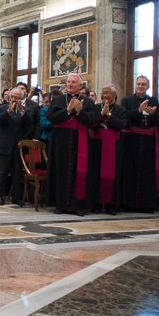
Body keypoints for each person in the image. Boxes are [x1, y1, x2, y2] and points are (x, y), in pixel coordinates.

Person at [46, 73, 98, 215]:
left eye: (73, 82)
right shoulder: (58, 99)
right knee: (60, 170)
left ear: (80, 86)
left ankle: (79, 205)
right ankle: (60, 204)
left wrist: (80, 112)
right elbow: (51, 117)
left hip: (80, 140)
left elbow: (93, 120)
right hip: (61, 141)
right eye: (68, 82)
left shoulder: (87, 101)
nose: (70, 84)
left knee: (79, 172)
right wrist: (67, 111)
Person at [119, 75, 159, 211]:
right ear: (135, 85)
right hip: (131, 141)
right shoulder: (127, 100)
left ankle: (146, 204)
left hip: (148, 142)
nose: (140, 86)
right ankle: (129, 204)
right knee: (130, 171)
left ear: (148, 86)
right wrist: (138, 111)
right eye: (138, 84)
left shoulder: (153, 100)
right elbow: (123, 116)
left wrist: (153, 113)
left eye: (143, 84)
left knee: (148, 171)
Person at [89, 85, 128, 214]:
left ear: (115, 96)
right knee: (96, 174)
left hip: (114, 147)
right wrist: (101, 115)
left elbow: (122, 125)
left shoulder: (121, 110)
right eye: (103, 92)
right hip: (96, 146)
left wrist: (108, 116)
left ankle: (112, 205)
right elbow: (90, 122)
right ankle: (96, 204)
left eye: (108, 93)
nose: (105, 95)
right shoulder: (95, 107)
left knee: (113, 175)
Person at [0, 87, 35, 206]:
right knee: (3, 172)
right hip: (5, 145)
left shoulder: (25, 110)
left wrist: (21, 112)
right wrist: (8, 112)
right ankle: (0, 195)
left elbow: (30, 124)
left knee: (18, 172)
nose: (14, 99)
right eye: (12, 97)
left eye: (17, 98)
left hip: (19, 146)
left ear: (21, 99)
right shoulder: (2, 108)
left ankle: (16, 197)